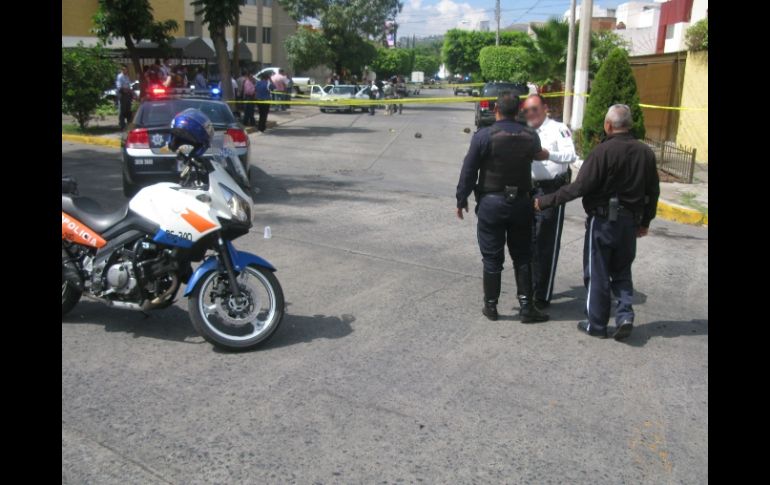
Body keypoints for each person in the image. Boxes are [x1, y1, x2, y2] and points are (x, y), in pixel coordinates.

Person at [534, 104, 660, 340]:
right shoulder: (645, 153)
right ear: (629, 125)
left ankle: (597, 324)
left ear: (608, 125)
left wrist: (545, 201)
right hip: (629, 222)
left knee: (597, 272)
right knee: (622, 270)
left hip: (603, 222)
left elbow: (580, 187)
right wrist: (645, 221)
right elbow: (653, 191)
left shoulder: (602, 152)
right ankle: (624, 315)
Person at [455, 93, 550, 323]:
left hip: (492, 203)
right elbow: (538, 154)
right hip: (521, 204)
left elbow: (469, 169)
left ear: (496, 109)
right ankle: (527, 307)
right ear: (518, 110)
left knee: (492, 257)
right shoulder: (530, 135)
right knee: (523, 256)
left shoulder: (483, 136)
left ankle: (491, 306)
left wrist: (461, 198)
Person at [521, 94, 577, 309]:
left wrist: (548, 155)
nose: (531, 114)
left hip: (551, 190)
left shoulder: (558, 129)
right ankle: (528, 289)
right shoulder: (524, 130)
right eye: (527, 110)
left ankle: (542, 295)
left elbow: (570, 155)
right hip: (527, 190)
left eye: (534, 109)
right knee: (527, 242)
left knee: (546, 243)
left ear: (545, 108)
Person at [116, 64, 133, 130]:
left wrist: (130, 91)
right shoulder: (120, 76)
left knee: (128, 110)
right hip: (122, 95)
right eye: (123, 69)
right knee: (122, 111)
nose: (124, 70)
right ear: (122, 70)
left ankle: (129, 125)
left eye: (125, 69)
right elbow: (119, 86)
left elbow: (129, 85)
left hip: (128, 95)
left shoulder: (127, 77)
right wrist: (125, 90)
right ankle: (122, 125)